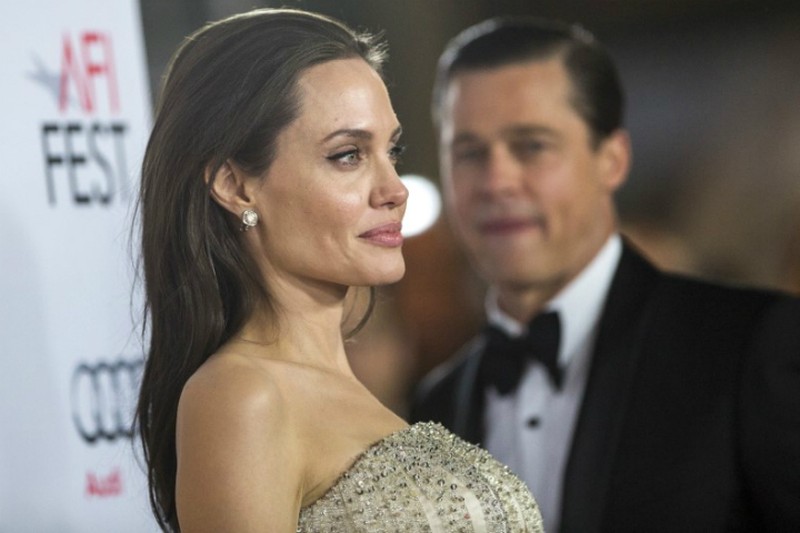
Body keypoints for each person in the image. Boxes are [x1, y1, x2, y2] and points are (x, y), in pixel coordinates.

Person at [134, 8, 543, 532]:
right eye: (348, 155)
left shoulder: (347, 391)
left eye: (392, 150)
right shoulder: (242, 397)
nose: (395, 189)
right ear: (235, 186)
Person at [410, 16, 800, 533]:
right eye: (469, 152)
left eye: (531, 146)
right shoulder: (435, 405)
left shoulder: (746, 345)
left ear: (612, 160)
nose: (496, 180)